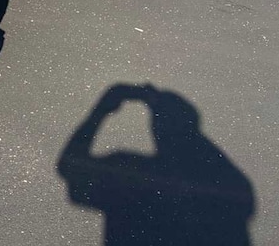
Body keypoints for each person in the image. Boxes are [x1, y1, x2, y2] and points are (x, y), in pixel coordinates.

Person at [58, 83, 255, 245]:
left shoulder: (133, 175)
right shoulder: (227, 189)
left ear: (156, 130)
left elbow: (69, 166)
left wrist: (101, 111)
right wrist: (164, 107)